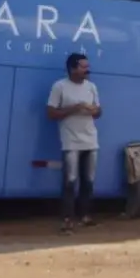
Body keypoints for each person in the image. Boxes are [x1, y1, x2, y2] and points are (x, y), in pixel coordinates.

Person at [47, 53, 101, 234]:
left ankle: (85, 216)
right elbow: (51, 113)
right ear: (72, 68)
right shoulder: (60, 86)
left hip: (91, 140)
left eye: (87, 66)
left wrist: (94, 110)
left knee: (89, 181)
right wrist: (75, 108)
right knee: (70, 181)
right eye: (84, 67)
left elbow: (98, 112)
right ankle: (67, 219)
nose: (88, 70)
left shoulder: (92, 87)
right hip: (70, 141)